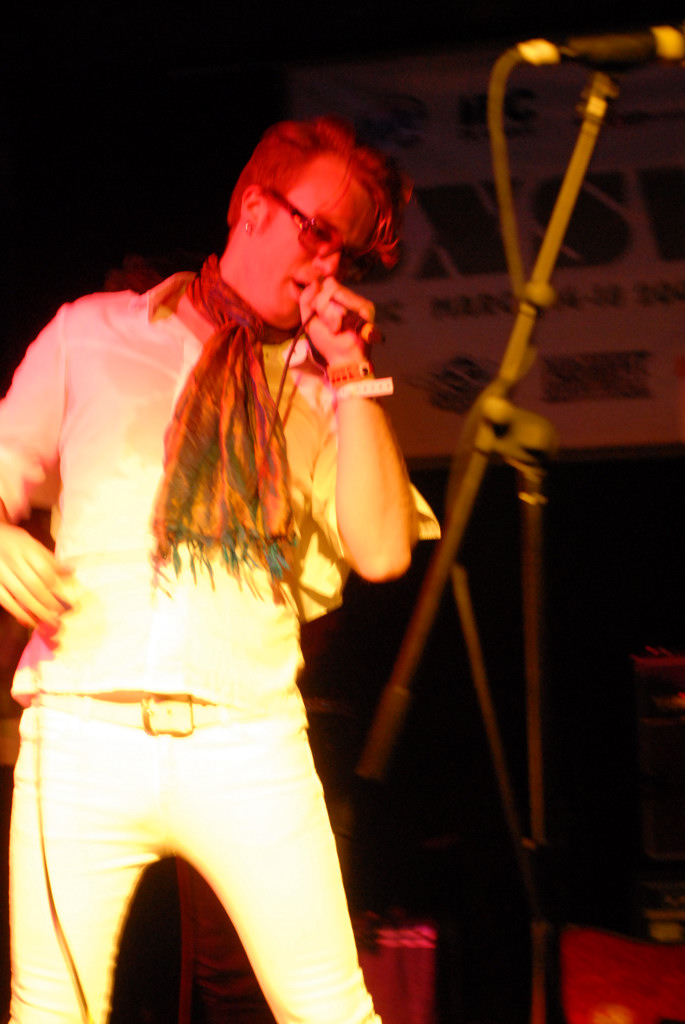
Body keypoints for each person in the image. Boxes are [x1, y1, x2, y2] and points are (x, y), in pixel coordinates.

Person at [0, 114, 439, 1024]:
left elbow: (384, 551)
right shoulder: (92, 333)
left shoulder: (323, 388)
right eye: (319, 231)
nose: (329, 264)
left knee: (332, 1010)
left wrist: (352, 371)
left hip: (248, 738)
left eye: (349, 253)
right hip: (83, 731)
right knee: (50, 1011)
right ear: (251, 206)